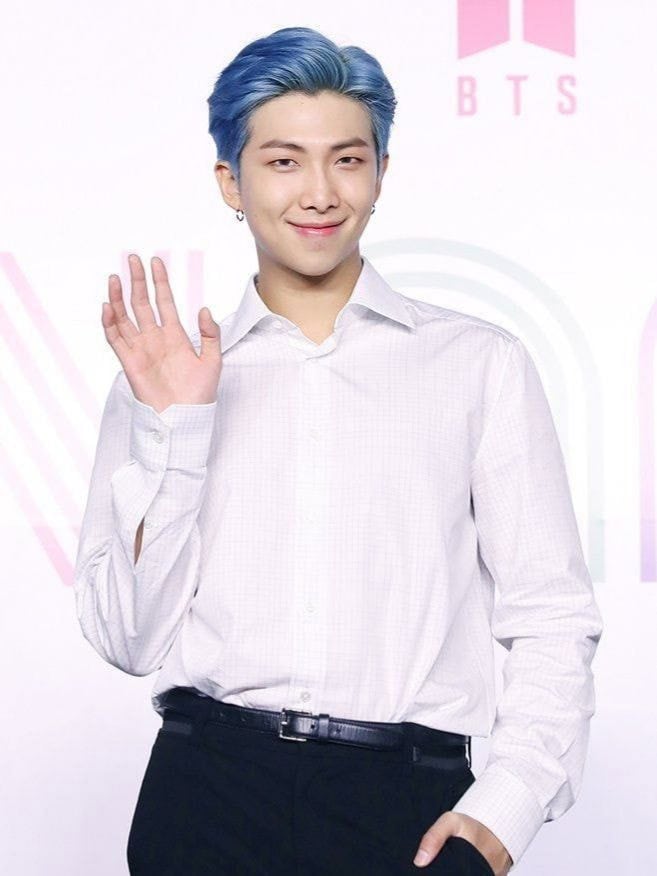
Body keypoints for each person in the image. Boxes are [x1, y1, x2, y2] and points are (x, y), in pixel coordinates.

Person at [73, 26, 604, 876]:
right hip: (205, 794)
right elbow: (129, 641)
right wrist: (177, 429)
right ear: (231, 180)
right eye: (283, 161)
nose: (318, 192)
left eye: (347, 160)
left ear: (380, 173)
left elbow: (550, 614)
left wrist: (504, 811)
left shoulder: (478, 364)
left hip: (402, 802)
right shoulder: (164, 377)